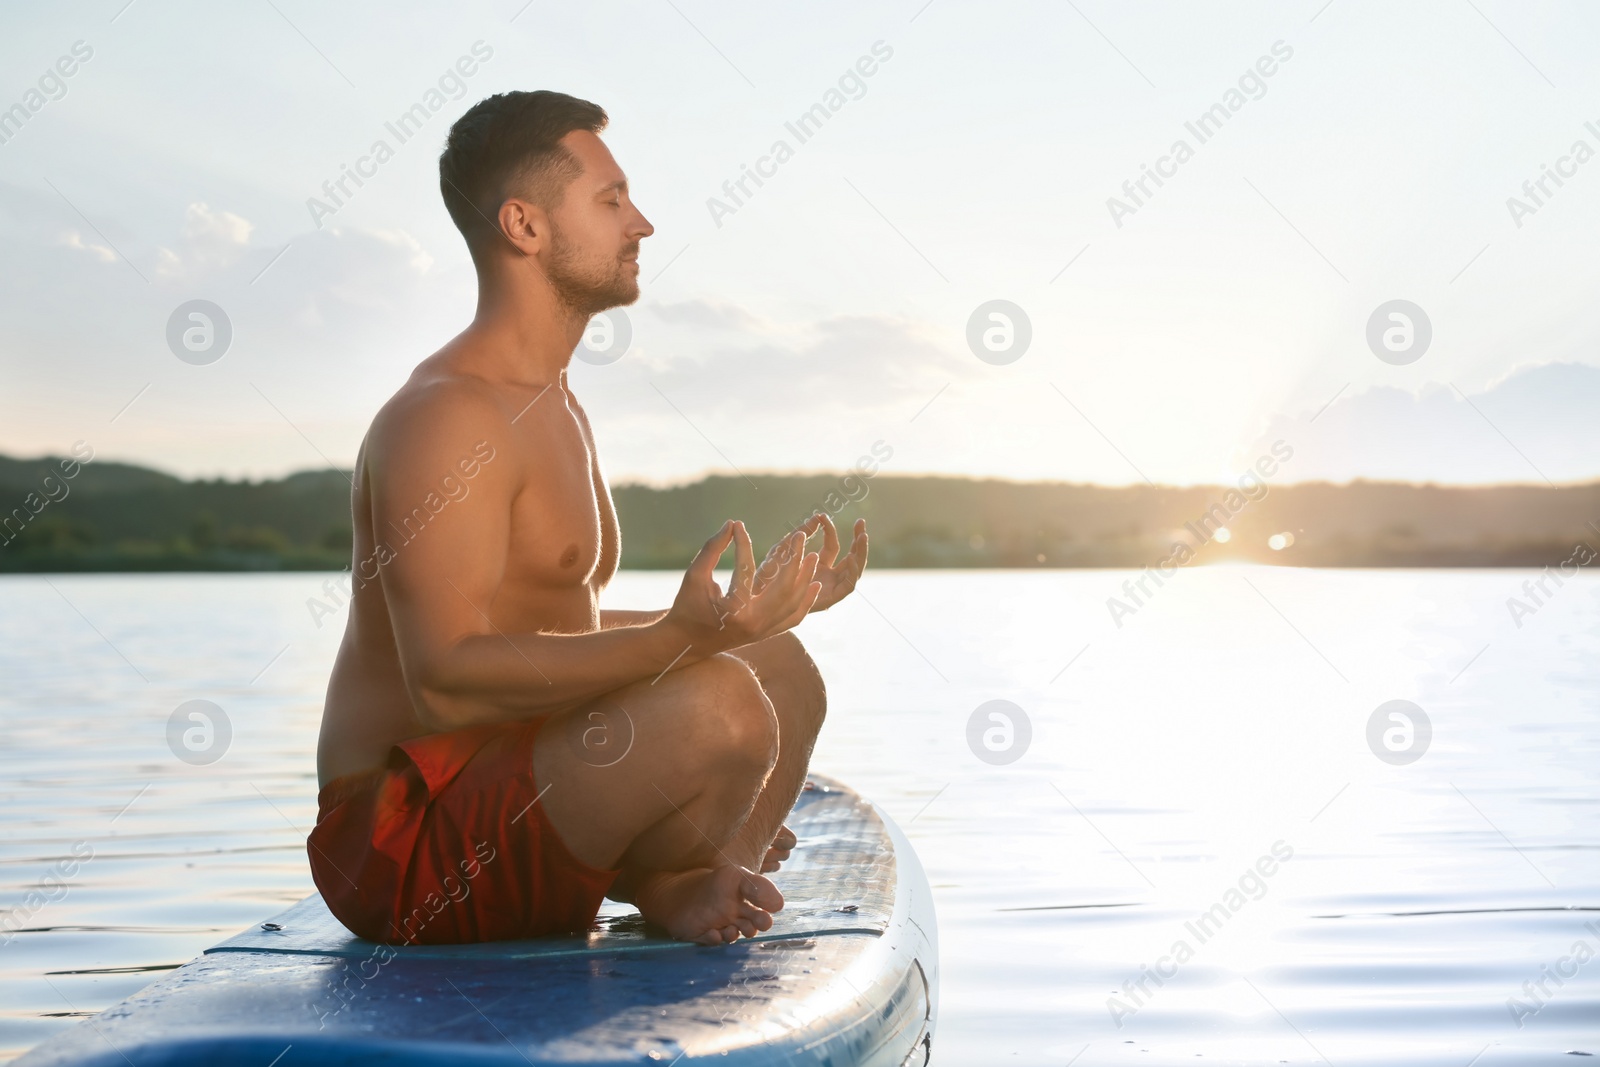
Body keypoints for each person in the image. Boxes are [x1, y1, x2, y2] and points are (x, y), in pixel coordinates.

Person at [308, 90, 868, 949]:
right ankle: (670, 877)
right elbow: (446, 680)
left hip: (508, 780)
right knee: (722, 701)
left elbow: (541, 632)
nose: (641, 223)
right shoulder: (449, 417)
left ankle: (691, 881)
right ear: (524, 226)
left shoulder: (553, 402)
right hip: (401, 843)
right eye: (610, 200)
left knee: (779, 666)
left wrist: (745, 614)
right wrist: (686, 642)